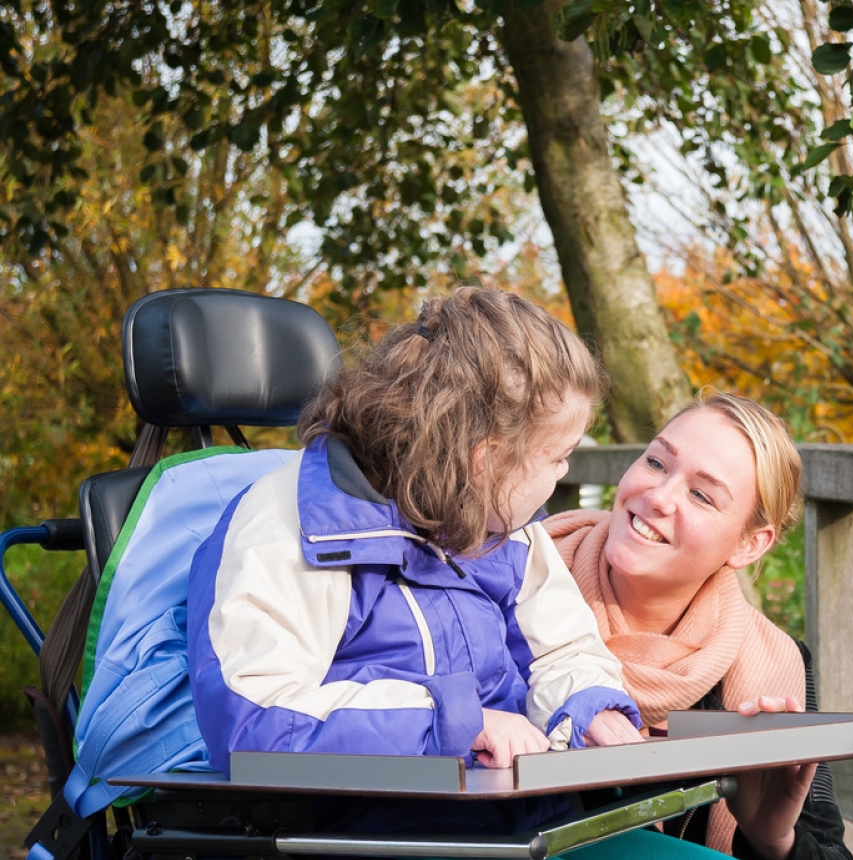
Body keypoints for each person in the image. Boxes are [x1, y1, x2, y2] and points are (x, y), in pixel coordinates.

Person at [185, 287, 642, 833]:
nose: (564, 473)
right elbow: (254, 720)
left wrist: (589, 706)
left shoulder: (503, 522)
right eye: (559, 456)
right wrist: (456, 723)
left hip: (530, 825)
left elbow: (561, 649)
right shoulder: (291, 526)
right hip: (378, 833)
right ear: (486, 457)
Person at [547, 393, 853, 860]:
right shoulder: (510, 591)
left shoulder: (777, 666)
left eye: (701, 495)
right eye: (656, 462)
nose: (658, 496)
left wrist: (773, 840)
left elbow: (831, 850)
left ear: (750, 545)